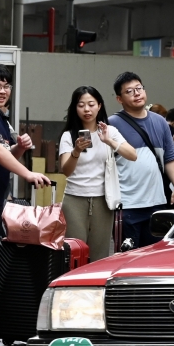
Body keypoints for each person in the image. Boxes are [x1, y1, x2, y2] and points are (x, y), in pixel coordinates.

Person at [0, 62, 52, 300]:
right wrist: (28, 173)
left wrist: (19, 148)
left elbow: (3, 155)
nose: (2, 91)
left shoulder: (0, 117)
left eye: (6, 86)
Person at [59, 87, 137, 261]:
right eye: (81, 105)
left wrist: (108, 140)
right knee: (74, 253)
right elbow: (66, 171)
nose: (87, 109)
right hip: (74, 200)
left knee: (100, 254)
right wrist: (76, 151)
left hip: (103, 200)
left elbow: (133, 155)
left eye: (91, 104)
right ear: (75, 108)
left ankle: (95, 287)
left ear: (99, 106)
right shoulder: (68, 136)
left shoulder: (110, 132)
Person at [108, 72, 174, 249]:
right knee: (127, 257)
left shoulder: (160, 122)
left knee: (156, 258)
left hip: (157, 204)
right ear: (119, 99)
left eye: (139, 88)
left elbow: (171, 158)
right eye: (129, 91)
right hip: (126, 206)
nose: (136, 93)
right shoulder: (112, 123)